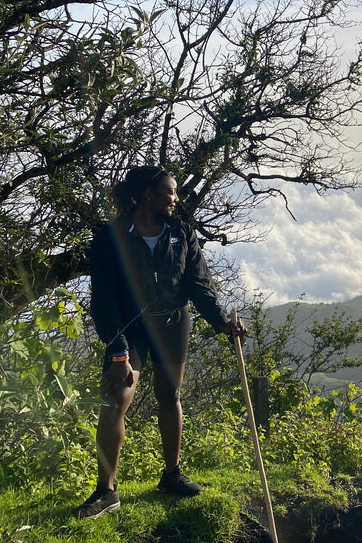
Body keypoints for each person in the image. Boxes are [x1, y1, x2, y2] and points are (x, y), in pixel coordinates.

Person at [73, 165, 247, 520]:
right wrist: (118, 348)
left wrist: (222, 325)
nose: (176, 199)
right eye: (170, 192)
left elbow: (199, 286)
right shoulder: (111, 237)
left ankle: (171, 475)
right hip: (130, 328)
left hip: (172, 323)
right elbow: (103, 297)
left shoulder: (182, 233)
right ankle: (106, 492)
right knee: (116, 399)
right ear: (148, 195)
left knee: (170, 396)